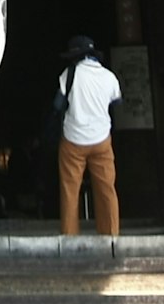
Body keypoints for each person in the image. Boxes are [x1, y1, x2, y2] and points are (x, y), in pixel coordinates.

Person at [50, 34, 121, 237]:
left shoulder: (69, 75)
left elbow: (57, 105)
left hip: (73, 140)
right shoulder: (109, 77)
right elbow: (116, 103)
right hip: (101, 140)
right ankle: (111, 235)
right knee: (106, 187)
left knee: (70, 190)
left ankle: (70, 235)